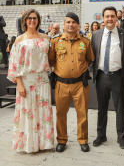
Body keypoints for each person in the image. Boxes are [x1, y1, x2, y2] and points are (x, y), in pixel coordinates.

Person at [7, 9, 54, 153]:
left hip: (43, 80)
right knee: (28, 113)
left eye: (35, 18)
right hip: (27, 81)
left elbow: (51, 58)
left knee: (43, 113)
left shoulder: (46, 37)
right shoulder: (20, 40)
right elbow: (15, 63)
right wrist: (19, 84)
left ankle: (44, 143)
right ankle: (29, 144)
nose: (32, 20)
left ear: (38, 20)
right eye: (29, 18)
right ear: (25, 21)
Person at [48, 12, 94, 153]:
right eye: (68, 22)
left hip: (80, 84)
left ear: (78, 25)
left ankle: (83, 140)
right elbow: (51, 60)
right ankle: (62, 140)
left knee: (82, 113)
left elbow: (90, 59)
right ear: (64, 24)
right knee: (61, 113)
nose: (71, 24)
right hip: (61, 84)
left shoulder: (85, 42)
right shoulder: (56, 41)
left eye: (74, 22)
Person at [91, 6, 124, 149]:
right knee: (101, 108)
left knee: (120, 108)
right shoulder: (96, 34)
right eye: (107, 16)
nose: (109, 19)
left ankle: (121, 137)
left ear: (116, 18)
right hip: (101, 76)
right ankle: (101, 135)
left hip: (118, 76)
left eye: (112, 16)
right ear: (103, 18)